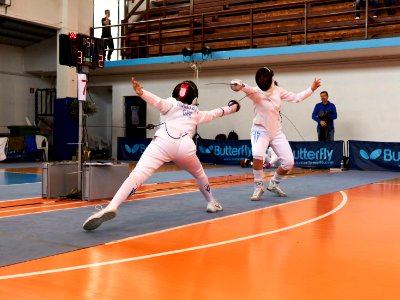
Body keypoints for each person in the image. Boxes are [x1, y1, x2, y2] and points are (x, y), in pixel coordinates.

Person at [82, 77, 241, 231]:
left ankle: (112, 206)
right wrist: (233, 108)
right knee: (200, 174)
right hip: (185, 147)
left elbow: (158, 102)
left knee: (138, 174)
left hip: (163, 141)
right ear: (194, 98)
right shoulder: (195, 111)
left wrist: (141, 92)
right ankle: (211, 202)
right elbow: (215, 113)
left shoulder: (171, 102)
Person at [230, 67, 321, 201]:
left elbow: (296, 98)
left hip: (276, 132)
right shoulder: (255, 92)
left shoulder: (278, 90)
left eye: (265, 78)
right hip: (260, 130)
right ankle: (258, 186)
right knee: (257, 154)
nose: (263, 80)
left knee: (289, 163)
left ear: (270, 78)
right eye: (260, 79)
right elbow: (247, 88)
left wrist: (312, 88)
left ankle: (273, 183)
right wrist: (240, 85)